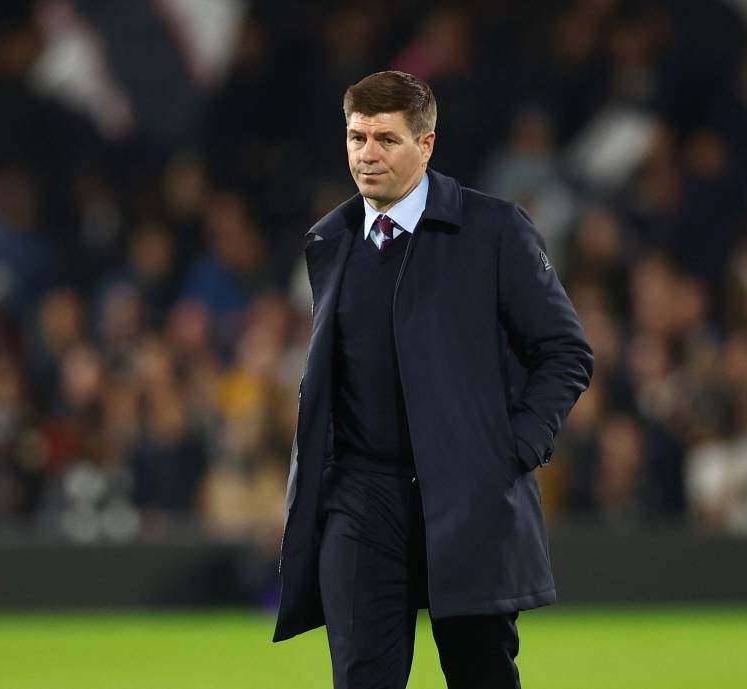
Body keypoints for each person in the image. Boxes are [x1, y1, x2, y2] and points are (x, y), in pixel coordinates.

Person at [273, 71, 594, 689]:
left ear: (426, 145)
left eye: (386, 139)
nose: (367, 154)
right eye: (357, 137)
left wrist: (514, 448)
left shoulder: (494, 230)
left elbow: (565, 351)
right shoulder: (331, 239)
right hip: (362, 499)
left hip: (469, 495)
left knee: (481, 674)